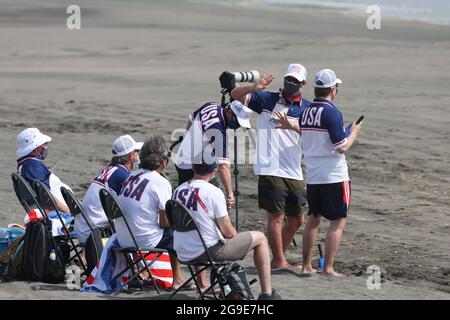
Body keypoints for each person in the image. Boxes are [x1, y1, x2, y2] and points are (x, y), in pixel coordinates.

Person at [277, 69, 362, 276]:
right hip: (334, 174)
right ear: (333, 89)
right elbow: (341, 146)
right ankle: (329, 268)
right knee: (338, 221)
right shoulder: (332, 112)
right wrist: (354, 133)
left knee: (314, 219)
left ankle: (307, 266)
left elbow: (309, 134)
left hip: (314, 176)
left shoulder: (306, 111)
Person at [230, 64, 311, 270]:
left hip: (293, 169)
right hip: (269, 167)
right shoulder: (267, 99)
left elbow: (312, 134)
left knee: (297, 220)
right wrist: (254, 87)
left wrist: (292, 126)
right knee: (276, 217)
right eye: (288, 79)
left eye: (295, 81)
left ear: (303, 84)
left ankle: (274, 257)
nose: (290, 83)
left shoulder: (307, 108)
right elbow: (234, 94)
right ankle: (279, 261)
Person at [172, 160, 281, 300]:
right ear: (214, 172)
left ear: (193, 167)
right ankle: (267, 294)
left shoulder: (178, 190)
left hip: (182, 251)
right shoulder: (213, 191)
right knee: (260, 238)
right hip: (207, 252)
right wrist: (237, 241)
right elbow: (228, 233)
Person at [115, 136, 188, 290]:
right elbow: (164, 223)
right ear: (164, 162)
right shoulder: (160, 182)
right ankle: (178, 279)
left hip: (122, 237)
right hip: (140, 240)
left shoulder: (131, 175)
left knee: (140, 220)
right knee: (175, 232)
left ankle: (141, 272)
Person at [174, 101, 252, 208]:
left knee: (185, 195)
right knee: (212, 193)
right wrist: (230, 193)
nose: (237, 126)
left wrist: (190, 137)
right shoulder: (218, 131)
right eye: (237, 122)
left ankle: (179, 210)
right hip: (191, 165)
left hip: (181, 157)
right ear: (229, 111)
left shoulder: (211, 105)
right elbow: (223, 167)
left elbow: (191, 120)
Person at [74, 134, 142, 244]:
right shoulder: (122, 175)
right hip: (96, 235)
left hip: (83, 228)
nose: (138, 155)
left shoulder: (109, 169)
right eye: (137, 151)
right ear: (131, 156)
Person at [16, 128, 70, 213]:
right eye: (44, 144)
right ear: (36, 147)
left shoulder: (26, 163)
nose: (46, 147)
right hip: (59, 215)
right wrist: (68, 212)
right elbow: (46, 198)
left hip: (50, 212)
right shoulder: (33, 167)